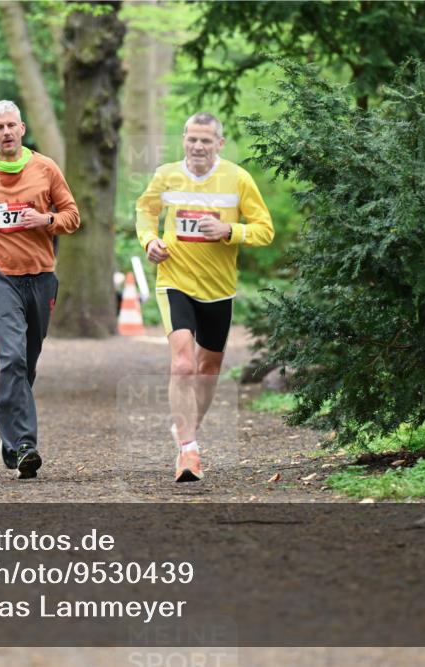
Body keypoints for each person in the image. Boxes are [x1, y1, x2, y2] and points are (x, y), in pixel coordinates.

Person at [136, 112, 274, 482]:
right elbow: (145, 213)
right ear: (183, 139)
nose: (198, 146)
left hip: (219, 289)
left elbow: (265, 230)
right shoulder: (165, 175)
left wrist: (230, 229)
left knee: (208, 368)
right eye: (192, 139)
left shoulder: (238, 179)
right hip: (175, 280)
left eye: (206, 141)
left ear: (219, 144)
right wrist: (150, 241)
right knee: (183, 364)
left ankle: (186, 430)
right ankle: (188, 451)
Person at [0, 100, 80, 479]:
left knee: (26, 364)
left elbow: (72, 217)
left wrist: (44, 219)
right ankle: (24, 443)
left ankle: (10, 433)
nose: (6, 132)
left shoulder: (45, 168)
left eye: (12, 125)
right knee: (11, 358)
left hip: (41, 276)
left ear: (23, 128)